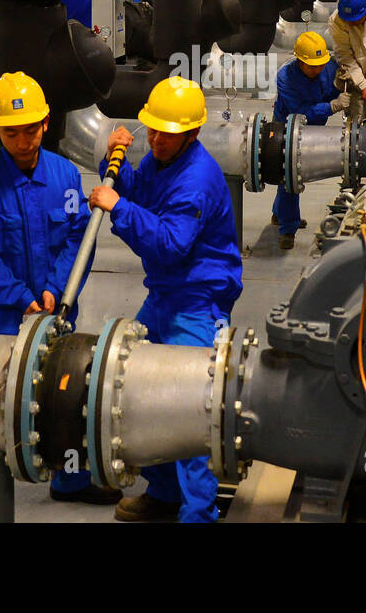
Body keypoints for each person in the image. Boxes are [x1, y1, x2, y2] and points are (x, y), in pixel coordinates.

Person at [0, 72, 121, 522]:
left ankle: (70, 477)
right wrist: (23, 298)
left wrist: (55, 290)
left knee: (66, 394)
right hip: (3, 321)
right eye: (10, 131)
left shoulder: (63, 175)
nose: (22, 140)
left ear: (45, 125)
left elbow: (78, 237)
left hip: (56, 312)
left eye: (30, 129)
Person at [89, 76, 243, 523]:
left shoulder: (197, 178)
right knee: (137, 393)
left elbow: (170, 244)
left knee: (189, 410)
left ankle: (198, 514)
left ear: (192, 134)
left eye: (166, 133)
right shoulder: (165, 158)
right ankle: (164, 494)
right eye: (150, 130)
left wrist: (117, 206)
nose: (155, 139)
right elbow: (141, 195)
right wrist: (112, 161)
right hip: (165, 295)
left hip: (197, 301)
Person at [271, 31, 349, 249]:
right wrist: (332, 106)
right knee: (289, 174)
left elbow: (334, 84)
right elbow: (299, 112)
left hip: (316, 127)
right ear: (300, 61)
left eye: (321, 64)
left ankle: (279, 214)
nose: (318, 69)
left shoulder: (327, 67)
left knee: (287, 174)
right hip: (287, 127)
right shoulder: (285, 78)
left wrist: (343, 83)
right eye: (312, 66)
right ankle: (288, 228)